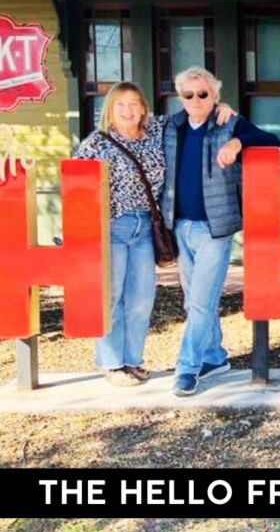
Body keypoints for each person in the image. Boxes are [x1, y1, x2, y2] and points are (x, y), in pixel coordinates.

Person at [75, 82, 235, 387]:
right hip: (112, 226)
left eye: (134, 104)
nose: (128, 111)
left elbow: (195, 111)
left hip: (147, 227)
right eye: (120, 105)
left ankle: (132, 360)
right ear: (110, 109)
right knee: (111, 295)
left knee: (141, 297)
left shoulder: (157, 132)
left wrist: (221, 109)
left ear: (144, 108)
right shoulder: (97, 143)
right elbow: (77, 189)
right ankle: (111, 363)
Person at [162, 66, 280, 397]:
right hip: (180, 225)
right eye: (189, 95)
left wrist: (239, 142)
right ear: (180, 98)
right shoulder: (171, 127)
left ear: (214, 95)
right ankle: (214, 358)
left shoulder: (229, 123)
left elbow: (272, 140)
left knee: (200, 302)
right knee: (196, 301)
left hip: (216, 229)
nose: (196, 100)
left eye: (203, 94)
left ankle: (187, 369)